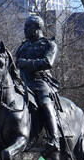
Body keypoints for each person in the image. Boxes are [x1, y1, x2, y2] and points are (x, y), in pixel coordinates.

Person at [15, 14, 63, 152]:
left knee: (45, 103)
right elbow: (16, 63)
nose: (24, 29)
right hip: (23, 81)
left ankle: (54, 138)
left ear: (37, 28)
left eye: (27, 27)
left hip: (40, 81)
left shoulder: (49, 44)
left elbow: (48, 62)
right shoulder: (23, 47)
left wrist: (26, 63)